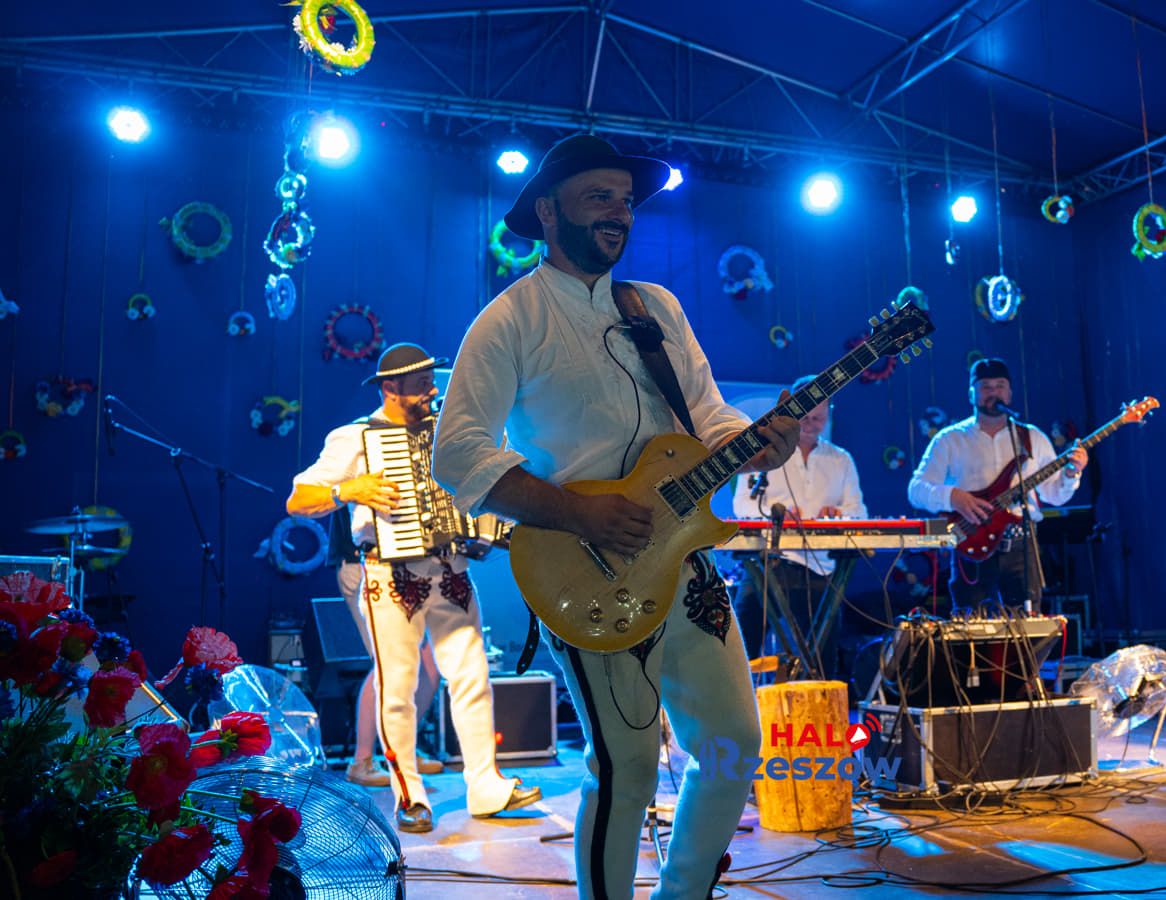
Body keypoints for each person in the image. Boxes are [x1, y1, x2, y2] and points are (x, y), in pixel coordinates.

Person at [432, 134, 798, 900]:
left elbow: (709, 416)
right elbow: (458, 454)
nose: (619, 213)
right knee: (625, 767)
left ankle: (684, 892)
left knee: (734, 745)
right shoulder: (509, 319)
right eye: (599, 196)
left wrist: (753, 443)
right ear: (547, 210)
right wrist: (578, 513)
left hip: (687, 558)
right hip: (587, 573)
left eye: (626, 201)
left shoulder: (654, 307)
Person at [287, 343, 538, 834]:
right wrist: (347, 490)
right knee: (397, 686)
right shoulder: (355, 438)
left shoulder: (451, 434)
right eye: (421, 383)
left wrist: (488, 523)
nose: (432, 390)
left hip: (453, 569)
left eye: (430, 380)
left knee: (472, 678)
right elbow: (298, 499)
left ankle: (485, 784)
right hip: (390, 576)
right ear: (390, 388)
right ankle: (410, 795)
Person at [907, 358, 1088, 611]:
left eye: (1000, 385)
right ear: (971, 394)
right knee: (970, 628)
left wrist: (1071, 474)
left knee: (1026, 627)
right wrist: (953, 496)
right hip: (970, 544)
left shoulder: (1031, 437)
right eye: (985, 386)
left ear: (1010, 393)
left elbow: (1055, 496)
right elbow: (916, 490)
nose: (993, 392)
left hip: (1021, 547)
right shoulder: (949, 440)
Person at [731, 375, 867, 677]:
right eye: (805, 415)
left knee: (823, 660)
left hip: (819, 568)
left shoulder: (841, 459)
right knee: (740, 653)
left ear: (829, 415)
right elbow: (742, 506)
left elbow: (858, 512)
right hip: (767, 563)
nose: (811, 423)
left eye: (818, 417)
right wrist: (776, 516)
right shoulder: (763, 454)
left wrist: (839, 515)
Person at [326, 503, 444, 788]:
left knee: (430, 663)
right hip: (364, 563)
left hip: (403, 566)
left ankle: (403, 750)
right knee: (388, 663)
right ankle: (361, 762)